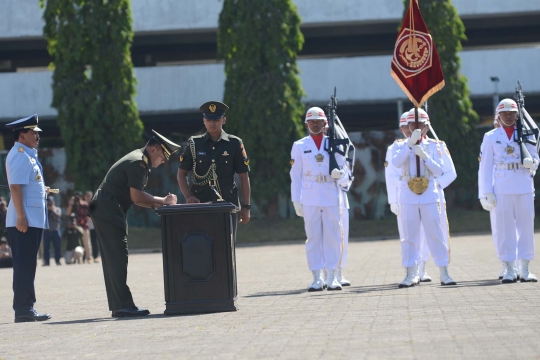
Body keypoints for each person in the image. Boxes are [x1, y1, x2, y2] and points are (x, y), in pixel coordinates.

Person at [88, 130, 180, 318]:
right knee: (117, 258)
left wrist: (157, 203)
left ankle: (120, 305)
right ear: (153, 149)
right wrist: (163, 201)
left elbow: (137, 199)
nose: (163, 161)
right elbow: (136, 196)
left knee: (115, 258)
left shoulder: (139, 160)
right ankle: (122, 306)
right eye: (163, 156)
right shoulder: (138, 162)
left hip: (108, 209)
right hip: (108, 210)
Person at [392, 108, 456, 287]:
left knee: (435, 234)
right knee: (409, 235)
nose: (417, 128)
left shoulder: (437, 145)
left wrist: (425, 156)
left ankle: (444, 271)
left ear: (427, 127)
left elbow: (439, 171)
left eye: (421, 125)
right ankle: (411, 273)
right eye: (413, 125)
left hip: (429, 194)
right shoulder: (399, 145)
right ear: (408, 126)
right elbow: (397, 164)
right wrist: (409, 145)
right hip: (408, 194)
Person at [290, 107, 351, 292]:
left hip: (331, 193)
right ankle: (317, 277)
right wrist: (296, 199)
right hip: (309, 196)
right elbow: (296, 175)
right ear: (306, 124)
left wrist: (339, 175)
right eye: (312, 121)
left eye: (319, 121)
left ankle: (332, 276)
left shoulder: (335, 143)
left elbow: (346, 170)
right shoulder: (299, 145)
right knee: (313, 237)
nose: (315, 124)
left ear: (326, 124)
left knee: (333, 236)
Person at [478, 98, 539, 283]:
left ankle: (525, 268)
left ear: (517, 114)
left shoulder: (527, 134)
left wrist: (532, 163)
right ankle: (510, 268)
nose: (508, 116)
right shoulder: (491, 136)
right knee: (505, 230)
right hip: (502, 187)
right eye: (504, 113)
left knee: (526, 228)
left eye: (512, 112)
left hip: (523, 185)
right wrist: (486, 192)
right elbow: (485, 167)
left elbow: (535, 157)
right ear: (498, 115)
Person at [177, 101, 252, 234]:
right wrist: (188, 196)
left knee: (227, 246)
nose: (213, 123)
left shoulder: (234, 143)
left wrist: (246, 207)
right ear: (204, 121)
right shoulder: (194, 143)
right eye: (209, 120)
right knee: (201, 244)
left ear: (223, 120)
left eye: (216, 120)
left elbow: (243, 176)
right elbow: (181, 174)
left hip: (227, 203)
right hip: (200, 204)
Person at [4, 114, 51, 322]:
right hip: (24, 220)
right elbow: (15, 187)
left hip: (31, 219)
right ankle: (23, 309)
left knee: (28, 264)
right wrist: (21, 216)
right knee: (24, 264)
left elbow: (27, 185)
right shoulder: (19, 155)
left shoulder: (28, 155)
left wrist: (43, 190)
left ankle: (26, 307)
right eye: (34, 132)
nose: (37, 136)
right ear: (22, 135)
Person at [67, 190, 91, 263]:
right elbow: (67, 213)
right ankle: (77, 259)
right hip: (75, 227)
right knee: (77, 244)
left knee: (86, 243)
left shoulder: (84, 204)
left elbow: (89, 214)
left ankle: (89, 258)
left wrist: (86, 221)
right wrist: (71, 203)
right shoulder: (72, 205)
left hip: (84, 226)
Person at [42, 196, 62, 266]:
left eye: (51, 202)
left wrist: (52, 209)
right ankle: (46, 262)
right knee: (46, 247)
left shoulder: (57, 209)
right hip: (46, 231)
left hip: (55, 230)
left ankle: (58, 260)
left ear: (54, 202)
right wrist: (47, 209)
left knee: (57, 246)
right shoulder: (44, 210)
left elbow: (57, 216)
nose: (50, 204)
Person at [85, 191, 99, 263]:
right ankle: (86, 257)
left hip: (93, 226)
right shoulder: (83, 205)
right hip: (85, 227)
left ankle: (95, 256)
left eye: (89, 196)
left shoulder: (94, 204)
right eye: (87, 196)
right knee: (86, 243)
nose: (88, 198)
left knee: (94, 242)